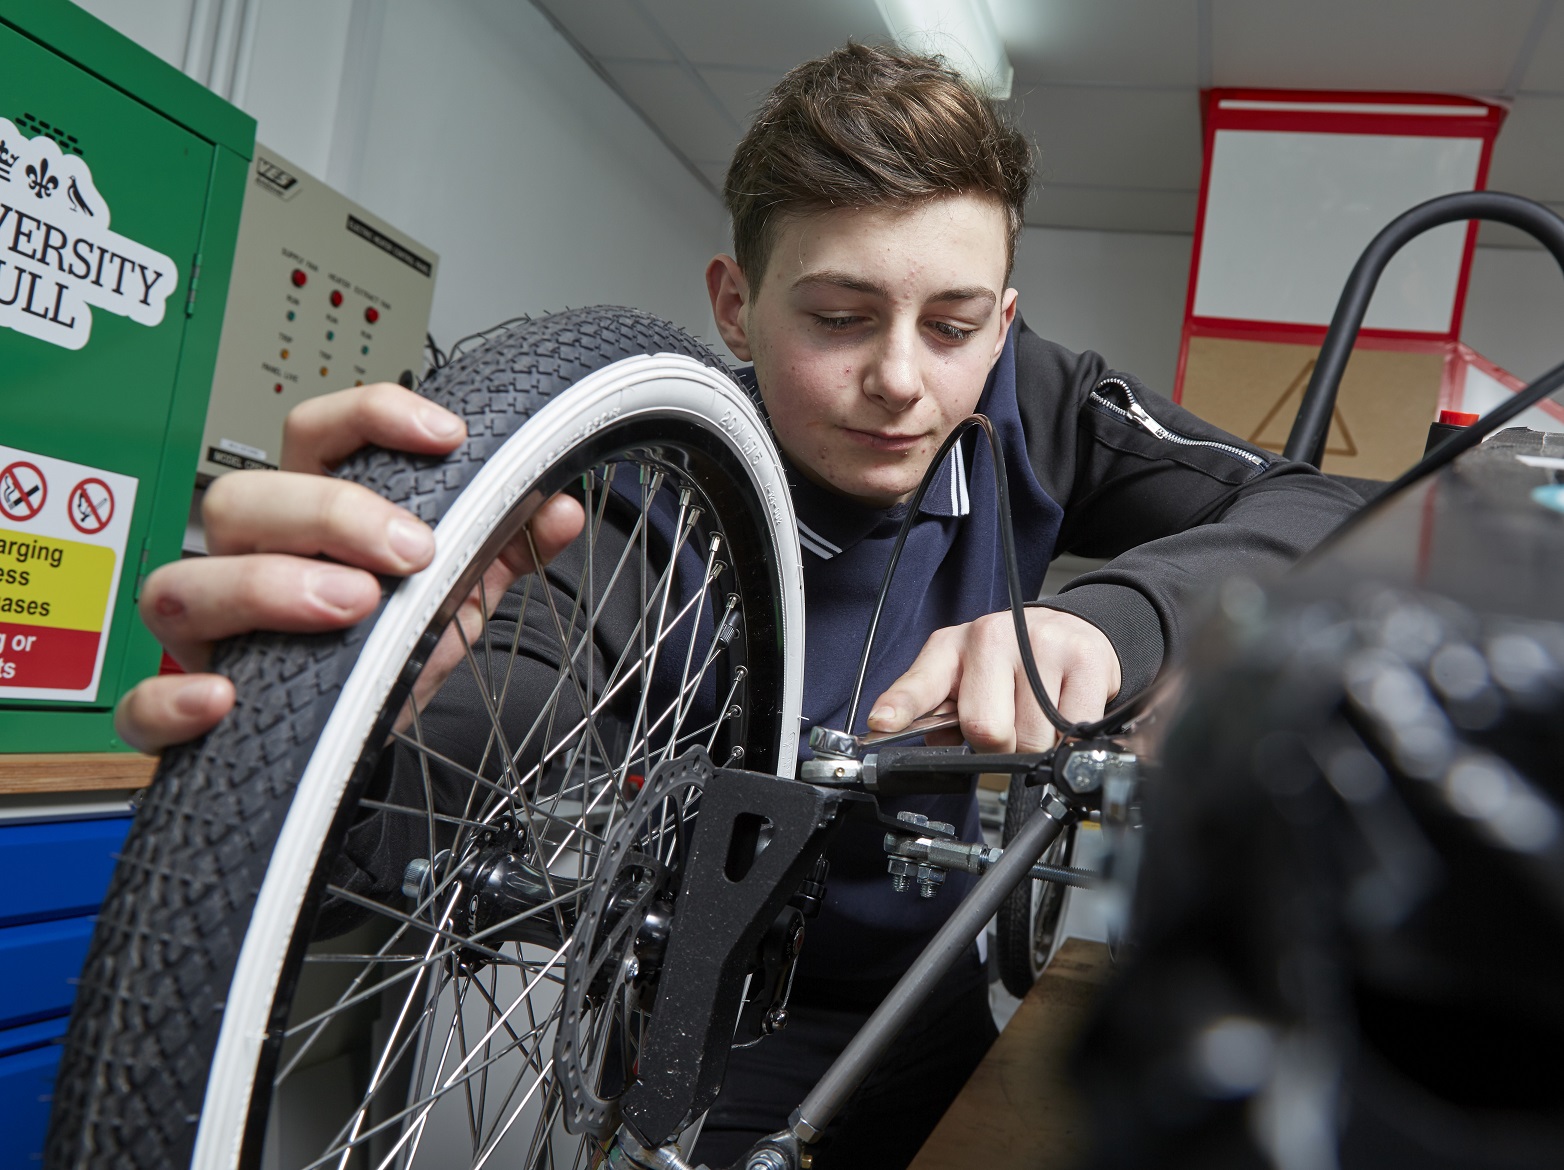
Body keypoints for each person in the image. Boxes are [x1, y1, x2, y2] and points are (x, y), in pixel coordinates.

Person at [117, 43, 1360, 1169]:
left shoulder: (1035, 404)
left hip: (939, 987)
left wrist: (1112, 622)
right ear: (734, 306)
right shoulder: (650, 486)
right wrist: (329, 727)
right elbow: (500, 710)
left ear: (1003, 322)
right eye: (837, 317)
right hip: (705, 1021)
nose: (899, 380)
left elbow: (1327, 513)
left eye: (954, 324)